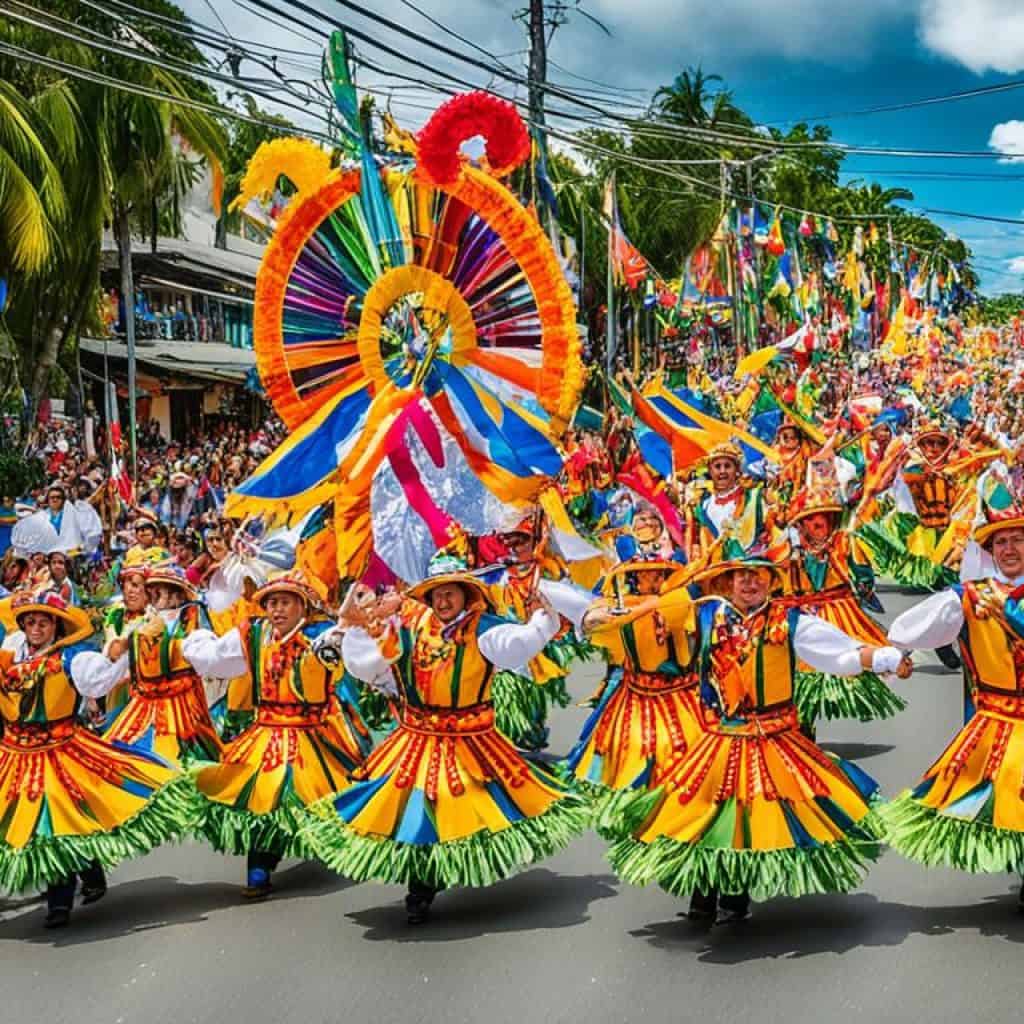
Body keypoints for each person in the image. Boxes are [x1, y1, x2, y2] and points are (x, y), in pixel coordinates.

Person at [604, 541, 911, 924]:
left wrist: (885, 657)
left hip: (771, 736)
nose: (749, 582)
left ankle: (734, 895)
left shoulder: (790, 621)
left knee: (747, 816)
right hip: (719, 735)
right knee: (702, 811)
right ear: (728, 582)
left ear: (771, 581)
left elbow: (842, 654)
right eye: (741, 575)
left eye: (758, 575)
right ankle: (703, 896)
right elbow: (660, 607)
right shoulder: (704, 615)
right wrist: (700, 579)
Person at [305, 554, 589, 924]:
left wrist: (541, 619)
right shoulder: (406, 628)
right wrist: (356, 629)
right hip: (416, 739)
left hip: (470, 742)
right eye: (437, 594)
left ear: (466, 595)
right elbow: (369, 665)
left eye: (450, 593)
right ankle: (421, 885)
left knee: (462, 809)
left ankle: (431, 879)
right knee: (413, 807)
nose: (442, 601)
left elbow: (519, 644)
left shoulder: (483, 629)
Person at [0, 591, 192, 928]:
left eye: (44, 622)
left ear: (56, 627)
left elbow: (100, 681)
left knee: (58, 821)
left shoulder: (71, 660)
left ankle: (59, 901)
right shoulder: (9, 658)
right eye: (30, 621)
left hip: (59, 750)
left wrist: (118, 654)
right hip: (15, 753)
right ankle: (90, 871)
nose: (36, 628)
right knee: (27, 823)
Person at [182, 572, 372, 900]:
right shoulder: (255, 635)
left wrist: (345, 626)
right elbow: (215, 659)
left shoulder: (318, 634)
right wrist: (188, 639)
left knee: (319, 802)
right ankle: (260, 867)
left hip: (310, 736)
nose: (277, 610)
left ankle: (339, 850)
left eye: (285, 602)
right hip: (265, 733)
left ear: (302, 606)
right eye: (272, 603)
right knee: (261, 797)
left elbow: (332, 654)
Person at [884, 489, 1024, 907]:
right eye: (1001, 541)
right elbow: (910, 628)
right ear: (989, 550)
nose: (1010, 548)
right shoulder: (968, 596)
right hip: (999, 719)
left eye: (1018, 538)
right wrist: (894, 656)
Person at [563, 550, 703, 831]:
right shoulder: (618, 607)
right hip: (636, 694)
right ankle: (636, 808)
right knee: (630, 751)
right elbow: (590, 623)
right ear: (633, 578)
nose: (649, 579)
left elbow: (692, 620)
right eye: (642, 574)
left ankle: (678, 806)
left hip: (681, 693)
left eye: (657, 574)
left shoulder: (679, 602)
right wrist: (639, 609)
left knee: (688, 751)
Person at [777, 486, 906, 727]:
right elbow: (783, 584)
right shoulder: (792, 553)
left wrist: (864, 582)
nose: (819, 530)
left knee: (854, 656)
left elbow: (860, 567)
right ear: (802, 526)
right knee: (810, 671)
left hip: (841, 609)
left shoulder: (842, 543)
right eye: (812, 525)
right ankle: (808, 720)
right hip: (809, 613)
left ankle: (862, 700)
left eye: (822, 524)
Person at [74, 565, 223, 766]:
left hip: (179, 713)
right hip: (140, 706)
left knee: (173, 766)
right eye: (152, 591)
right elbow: (113, 663)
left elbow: (210, 655)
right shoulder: (142, 625)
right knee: (118, 760)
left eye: (160, 591)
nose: (154, 596)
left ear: (176, 596)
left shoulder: (190, 625)